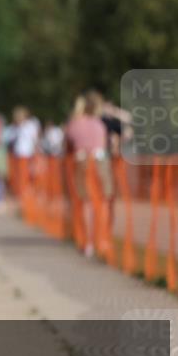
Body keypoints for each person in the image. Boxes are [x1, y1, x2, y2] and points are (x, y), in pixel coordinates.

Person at [65, 92, 112, 257]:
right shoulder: (100, 124)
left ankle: (88, 242)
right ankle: (102, 240)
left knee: (85, 203)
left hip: (81, 163)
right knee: (103, 201)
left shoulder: (74, 123)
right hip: (100, 163)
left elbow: (68, 145)